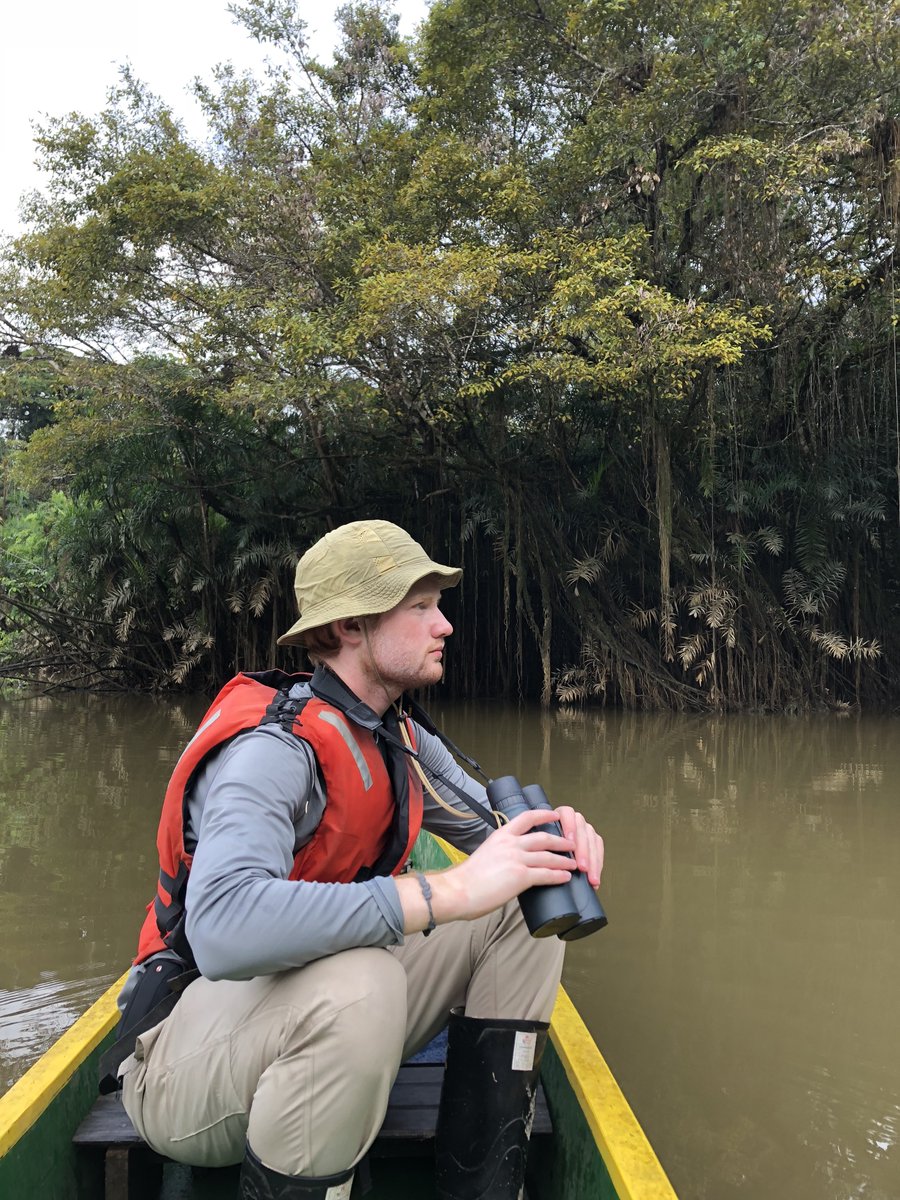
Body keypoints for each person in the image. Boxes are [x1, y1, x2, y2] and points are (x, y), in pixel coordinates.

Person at [114, 519, 604, 1200]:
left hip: (324, 1003)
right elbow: (222, 928)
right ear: (350, 627)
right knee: (364, 979)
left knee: (524, 898)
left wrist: (555, 835)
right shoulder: (273, 752)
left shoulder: (394, 734)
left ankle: (483, 1188)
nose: (446, 627)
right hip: (183, 1065)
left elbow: (497, 838)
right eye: (421, 607)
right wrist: (445, 894)